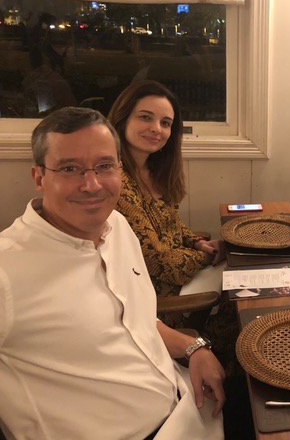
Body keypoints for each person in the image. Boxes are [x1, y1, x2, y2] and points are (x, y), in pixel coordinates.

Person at [0, 107, 226, 439]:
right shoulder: (7, 270)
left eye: (105, 166)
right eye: (70, 168)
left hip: (188, 407)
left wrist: (195, 348)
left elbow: (137, 319)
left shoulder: (117, 225)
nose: (91, 184)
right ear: (39, 178)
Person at [107, 80, 225, 329]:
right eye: (145, 117)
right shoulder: (116, 182)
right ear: (122, 119)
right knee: (240, 309)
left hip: (184, 279)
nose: (156, 129)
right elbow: (160, 261)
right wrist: (209, 256)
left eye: (165, 123)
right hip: (155, 301)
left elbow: (172, 226)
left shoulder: (154, 171)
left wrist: (197, 242)